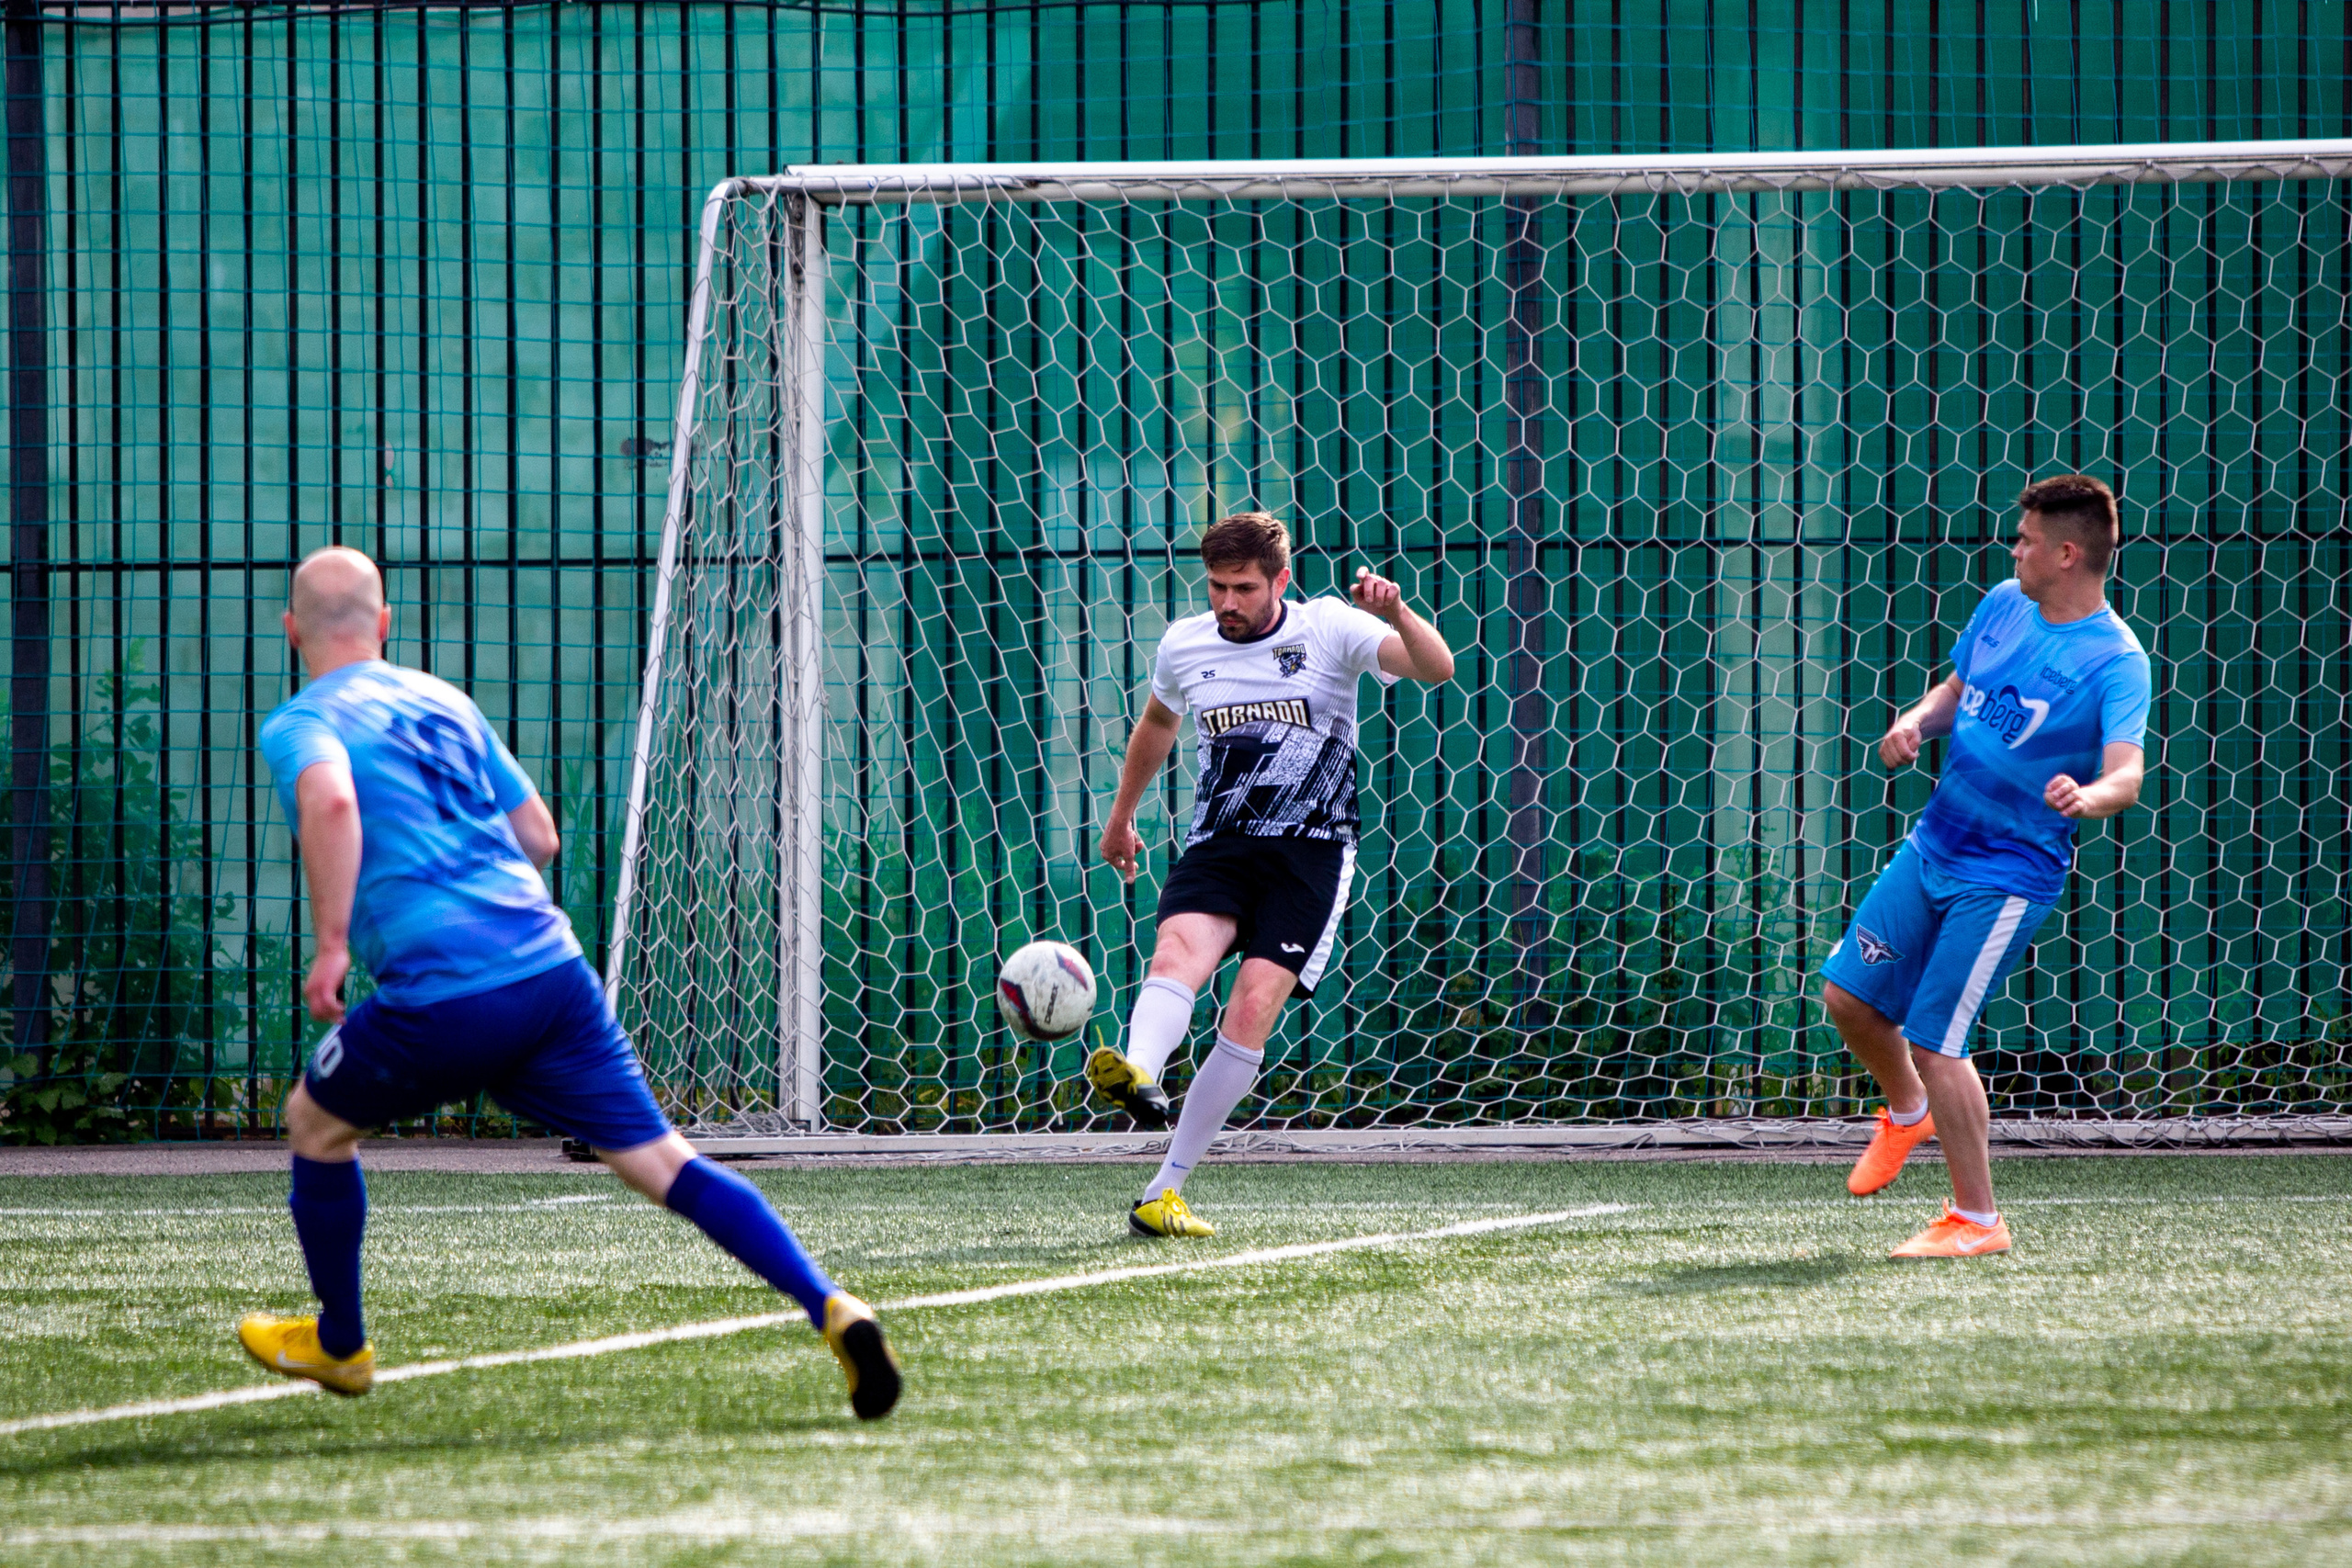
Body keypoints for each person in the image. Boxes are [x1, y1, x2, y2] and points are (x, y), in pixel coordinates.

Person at [239, 547, 899, 1418]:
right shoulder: (445, 700)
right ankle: (831, 1305)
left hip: (443, 993)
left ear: (292, 632)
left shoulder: (300, 721)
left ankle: (342, 1342)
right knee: (664, 1161)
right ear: (385, 623)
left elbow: (330, 803)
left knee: (314, 1123)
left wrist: (332, 945)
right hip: (551, 971)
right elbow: (539, 837)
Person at [1090, 513, 1455, 1237]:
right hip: (1220, 840)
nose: (1227, 602)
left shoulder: (1328, 627)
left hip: (1311, 849)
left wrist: (1397, 613)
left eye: (1245, 588)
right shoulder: (1185, 643)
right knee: (1175, 954)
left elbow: (1435, 666)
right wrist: (1120, 815)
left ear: (1280, 581)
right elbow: (1158, 724)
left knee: (1252, 1004)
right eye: (1218, 586)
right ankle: (1136, 1071)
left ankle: (1165, 1190)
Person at [1822, 476, 2152, 1258]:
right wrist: (1914, 723)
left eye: (2028, 538)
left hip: (2006, 873)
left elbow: (2128, 774)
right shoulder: (2004, 601)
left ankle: (1978, 1220)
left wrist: (2091, 794)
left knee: (1938, 1039)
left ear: (2068, 553)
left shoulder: (2116, 659)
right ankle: (1907, 1111)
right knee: (1848, 999)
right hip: (1935, 842)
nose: (2015, 548)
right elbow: (1956, 692)